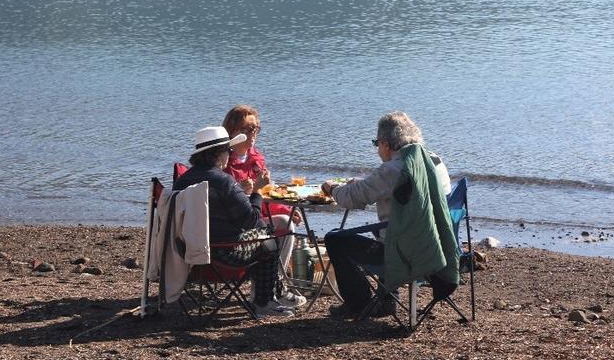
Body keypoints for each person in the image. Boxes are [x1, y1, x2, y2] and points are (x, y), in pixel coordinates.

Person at [321, 111, 452, 318]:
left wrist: (331, 189)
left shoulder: (395, 169)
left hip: (406, 256)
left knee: (336, 238)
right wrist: (363, 184)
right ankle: (387, 299)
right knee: (388, 229)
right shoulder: (434, 161)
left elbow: (351, 199)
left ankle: (359, 304)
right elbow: (384, 188)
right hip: (439, 248)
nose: (377, 149)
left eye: (376, 143)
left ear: (386, 143)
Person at [171, 125, 294, 317]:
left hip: (186, 251)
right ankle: (264, 301)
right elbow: (252, 220)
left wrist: (239, 192)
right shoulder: (223, 181)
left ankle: (270, 295)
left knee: (264, 233)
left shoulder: (183, 181)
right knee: (268, 239)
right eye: (228, 150)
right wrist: (257, 192)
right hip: (224, 251)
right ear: (219, 154)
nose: (229, 154)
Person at [222, 105, 306, 308]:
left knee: (286, 222)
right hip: (235, 229)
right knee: (283, 225)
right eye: (246, 129)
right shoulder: (223, 163)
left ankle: (273, 285)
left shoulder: (255, 158)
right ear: (231, 132)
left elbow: (265, 198)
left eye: (255, 129)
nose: (252, 134)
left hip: (254, 218)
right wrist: (249, 190)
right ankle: (269, 289)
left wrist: (286, 209)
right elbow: (236, 205)